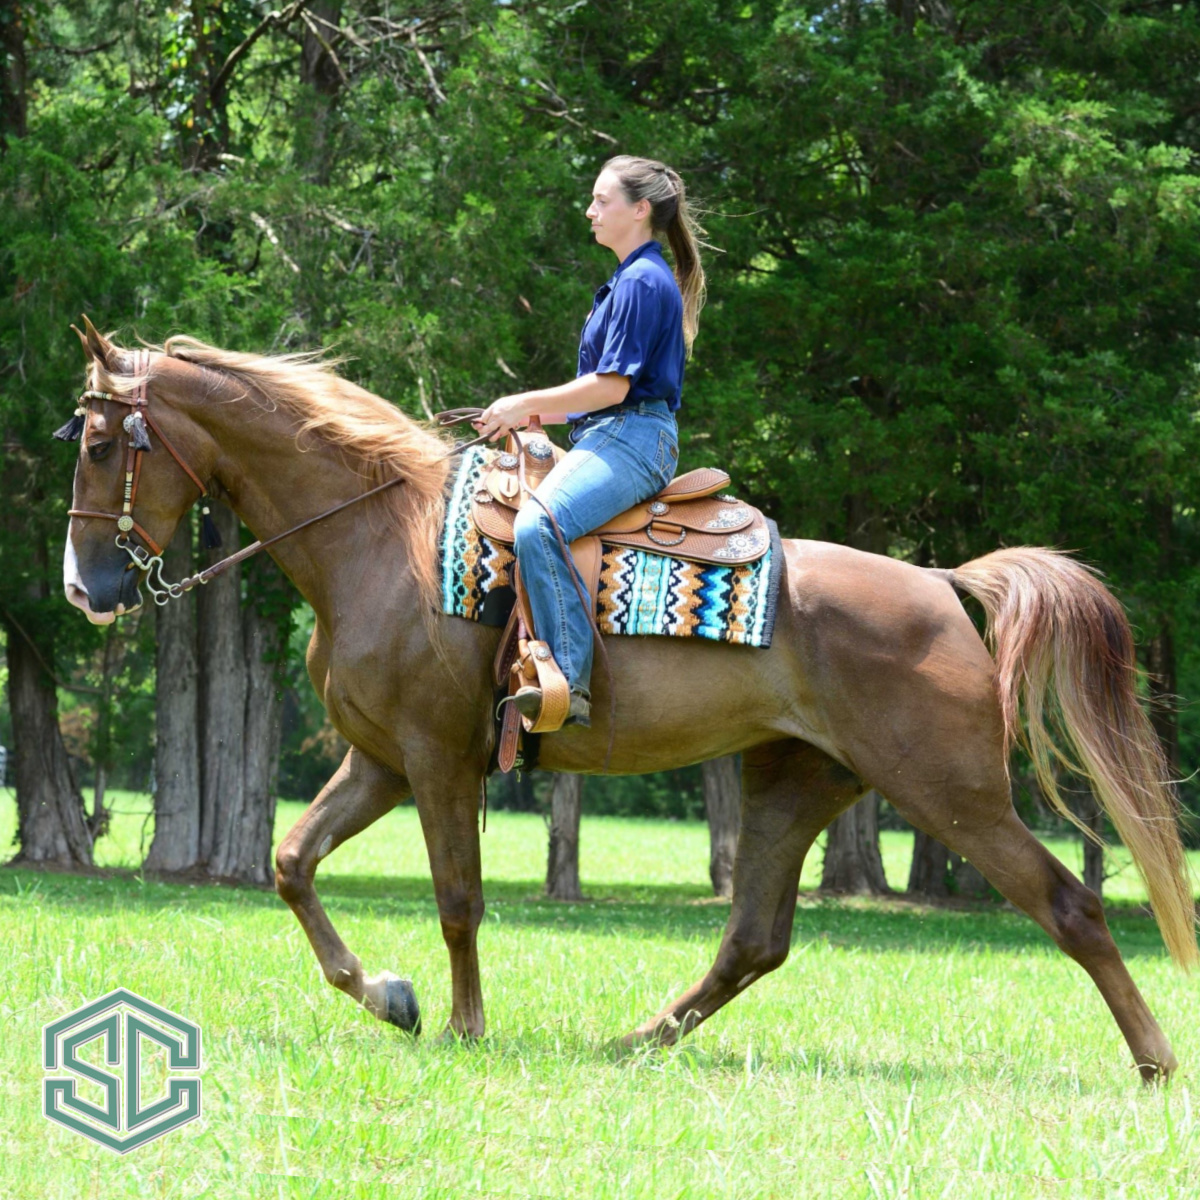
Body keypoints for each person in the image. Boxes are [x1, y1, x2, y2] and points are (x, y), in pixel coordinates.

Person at [472, 155, 706, 729]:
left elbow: (613, 386)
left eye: (603, 200)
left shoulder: (643, 282)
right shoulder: (631, 279)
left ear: (640, 209)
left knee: (537, 524)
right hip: (614, 432)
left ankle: (567, 682)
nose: (590, 210)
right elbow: (602, 392)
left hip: (633, 438)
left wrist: (524, 403)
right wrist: (545, 417)